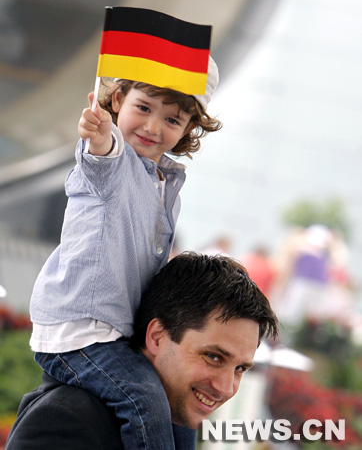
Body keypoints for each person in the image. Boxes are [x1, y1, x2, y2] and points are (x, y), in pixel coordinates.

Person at [28, 57, 221, 450]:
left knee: (179, 410)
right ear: (117, 99)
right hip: (81, 333)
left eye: (172, 120)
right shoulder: (111, 162)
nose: (152, 126)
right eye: (143, 108)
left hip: (120, 334)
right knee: (145, 401)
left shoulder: (164, 183)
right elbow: (103, 154)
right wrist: (99, 135)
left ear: (188, 129)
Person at [7, 252, 279, 449]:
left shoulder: (173, 423)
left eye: (240, 369)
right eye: (213, 357)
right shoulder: (68, 420)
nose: (226, 387)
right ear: (157, 337)